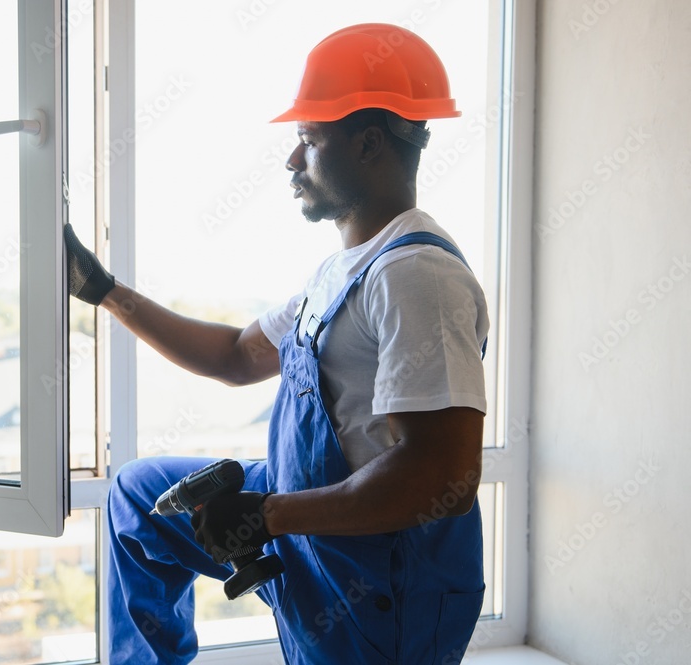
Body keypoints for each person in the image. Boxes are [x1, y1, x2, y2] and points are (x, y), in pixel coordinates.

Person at [66, 24, 488, 664]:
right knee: (138, 497)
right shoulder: (340, 273)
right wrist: (104, 291)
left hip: (378, 576)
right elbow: (236, 356)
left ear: (369, 144)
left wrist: (268, 514)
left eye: (308, 140)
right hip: (307, 518)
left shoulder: (416, 277)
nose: (292, 161)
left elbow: (444, 477)